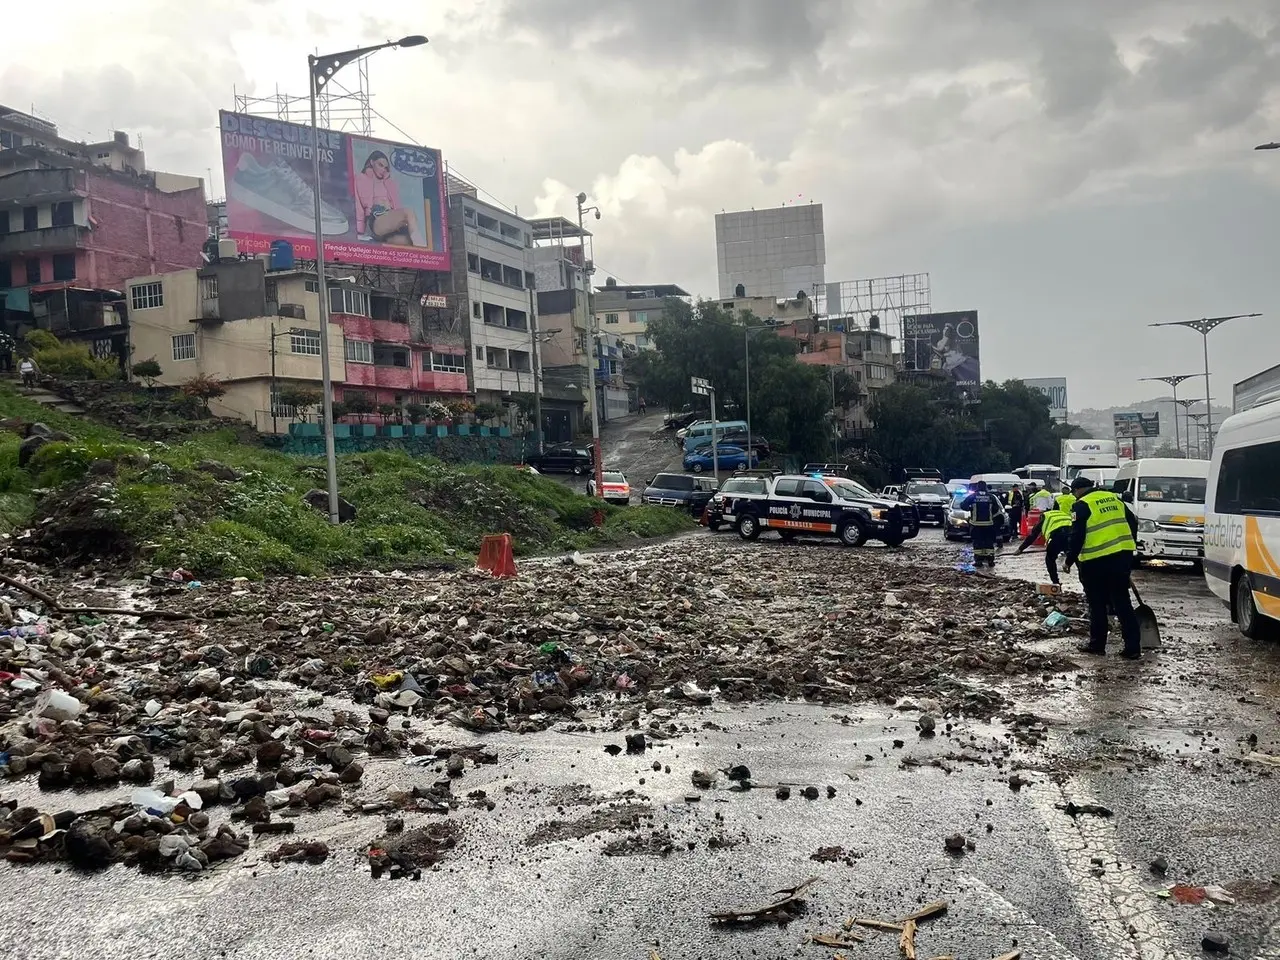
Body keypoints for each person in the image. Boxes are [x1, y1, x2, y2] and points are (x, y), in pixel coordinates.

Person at [1063, 476, 1141, 659]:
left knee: (1097, 604)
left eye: (1074, 493)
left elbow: (1077, 535)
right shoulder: (1115, 498)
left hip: (1095, 561)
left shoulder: (1082, 504)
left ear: (1078, 490)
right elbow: (1133, 522)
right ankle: (1133, 648)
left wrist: (1069, 560)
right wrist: (1129, 545)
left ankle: (1097, 645)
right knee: (1122, 602)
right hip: (1122, 556)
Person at [354, 150, 421, 247]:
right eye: (380, 165)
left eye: (385, 167)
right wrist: (360, 229)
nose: (383, 170)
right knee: (409, 212)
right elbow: (358, 204)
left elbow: (397, 205)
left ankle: (425, 256)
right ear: (372, 162)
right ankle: (424, 250)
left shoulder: (390, 183)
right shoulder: (362, 178)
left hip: (390, 222)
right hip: (376, 218)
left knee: (408, 242)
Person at [1016, 501, 1073, 586]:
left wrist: (1020, 549)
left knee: (1050, 559)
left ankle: (1056, 583)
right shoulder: (1063, 514)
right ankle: (1086, 583)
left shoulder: (1045, 516)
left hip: (1057, 536)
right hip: (1072, 535)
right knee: (1076, 556)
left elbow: (1033, 535)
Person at [961, 480, 1004, 569]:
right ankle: (990, 561)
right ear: (986, 487)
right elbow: (996, 509)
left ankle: (979, 561)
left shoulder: (972, 497)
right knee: (989, 542)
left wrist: (970, 508)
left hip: (976, 524)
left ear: (977, 487)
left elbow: (963, 506)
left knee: (978, 542)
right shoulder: (991, 497)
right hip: (989, 524)